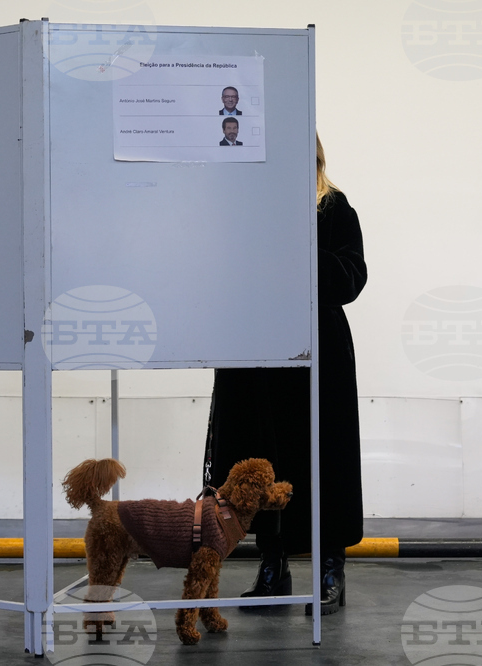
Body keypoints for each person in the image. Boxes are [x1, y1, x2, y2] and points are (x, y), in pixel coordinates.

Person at [202, 134, 366, 615]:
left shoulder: (334, 208)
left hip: (318, 354)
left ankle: (330, 569)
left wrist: (297, 243)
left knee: (324, 459)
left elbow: (351, 278)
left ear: (313, 157)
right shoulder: (250, 208)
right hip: (258, 350)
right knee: (259, 458)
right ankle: (272, 566)